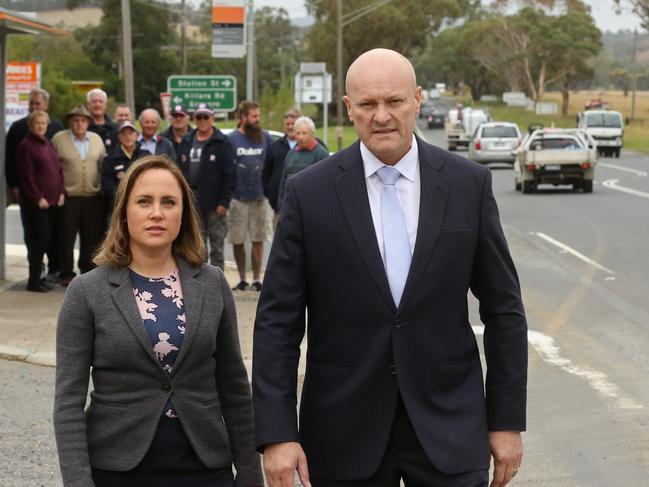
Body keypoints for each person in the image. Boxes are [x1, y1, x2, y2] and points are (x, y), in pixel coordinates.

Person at [252, 49, 528, 487]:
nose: (382, 116)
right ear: (348, 108)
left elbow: (505, 310)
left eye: (394, 102)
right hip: (342, 433)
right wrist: (276, 434)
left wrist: (506, 420)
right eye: (367, 104)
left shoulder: (467, 185)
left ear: (417, 99)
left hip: (451, 428)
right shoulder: (309, 194)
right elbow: (276, 323)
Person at [53, 155, 263, 487]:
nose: (156, 213)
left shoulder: (212, 283)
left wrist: (251, 475)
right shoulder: (86, 291)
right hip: (117, 468)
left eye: (169, 202)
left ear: (183, 213)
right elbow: (67, 402)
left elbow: (234, 388)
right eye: (144, 201)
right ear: (124, 211)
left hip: (205, 465)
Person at [5, 88, 64, 283]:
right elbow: (11, 162)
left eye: (37, 103)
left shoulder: (54, 129)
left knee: (50, 235)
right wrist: (14, 186)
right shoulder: (18, 129)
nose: (33, 107)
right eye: (31, 103)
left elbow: (57, 165)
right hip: (31, 196)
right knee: (35, 235)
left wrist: (60, 191)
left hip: (52, 197)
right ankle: (36, 274)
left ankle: (52, 270)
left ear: (46, 106)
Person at [177, 103, 236, 271]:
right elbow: (178, 169)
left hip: (215, 203)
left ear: (212, 119)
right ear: (194, 119)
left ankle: (217, 283)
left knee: (217, 246)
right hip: (192, 201)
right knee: (196, 245)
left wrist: (224, 202)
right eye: (199, 117)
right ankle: (199, 281)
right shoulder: (187, 140)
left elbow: (230, 175)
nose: (202, 120)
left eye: (206, 117)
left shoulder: (222, 142)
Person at [52, 105, 106, 286]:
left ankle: (87, 271)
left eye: (83, 120)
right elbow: (53, 169)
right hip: (69, 196)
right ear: (70, 122)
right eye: (75, 120)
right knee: (66, 236)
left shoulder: (97, 139)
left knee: (91, 237)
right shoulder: (59, 139)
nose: (79, 124)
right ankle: (66, 272)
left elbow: (102, 166)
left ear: (88, 122)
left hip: (93, 196)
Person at [15, 110, 65, 292]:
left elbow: (58, 170)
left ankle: (40, 277)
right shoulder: (26, 146)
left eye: (43, 124)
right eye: (37, 123)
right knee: (38, 241)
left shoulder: (48, 144)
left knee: (47, 240)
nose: (40, 126)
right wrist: (37, 198)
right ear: (30, 125)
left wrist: (61, 192)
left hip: (52, 201)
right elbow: (25, 177)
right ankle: (33, 281)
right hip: (36, 204)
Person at [227, 101, 273, 292]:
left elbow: (272, 164)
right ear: (243, 117)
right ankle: (242, 279)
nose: (257, 120)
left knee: (258, 239)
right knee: (238, 240)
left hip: (260, 197)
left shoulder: (265, 138)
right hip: (237, 198)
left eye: (258, 116)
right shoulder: (231, 140)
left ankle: (256, 279)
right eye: (253, 116)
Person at [276, 116, 329, 213]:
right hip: (291, 208)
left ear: (312, 134)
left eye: (304, 133)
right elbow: (283, 182)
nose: (301, 137)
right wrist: (281, 205)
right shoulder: (291, 154)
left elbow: (326, 186)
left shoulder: (321, 154)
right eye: (298, 133)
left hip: (313, 209)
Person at [101, 120, 151, 210]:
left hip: (143, 205)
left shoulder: (146, 156)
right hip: (118, 206)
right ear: (119, 137)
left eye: (130, 133)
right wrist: (124, 196)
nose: (127, 137)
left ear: (137, 136)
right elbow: (107, 185)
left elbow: (152, 179)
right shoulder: (110, 159)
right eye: (124, 134)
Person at [262, 108, 299, 224]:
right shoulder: (276, 146)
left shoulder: (313, 146)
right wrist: (271, 196)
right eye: (287, 124)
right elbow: (265, 173)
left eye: (293, 123)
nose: (290, 127)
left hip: (306, 205)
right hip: (279, 207)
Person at [87, 88, 117, 152]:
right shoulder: (83, 128)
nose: (97, 104)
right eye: (94, 102)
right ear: (88, 105)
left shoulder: (115, 129)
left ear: (105, 105)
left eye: (100, 101)